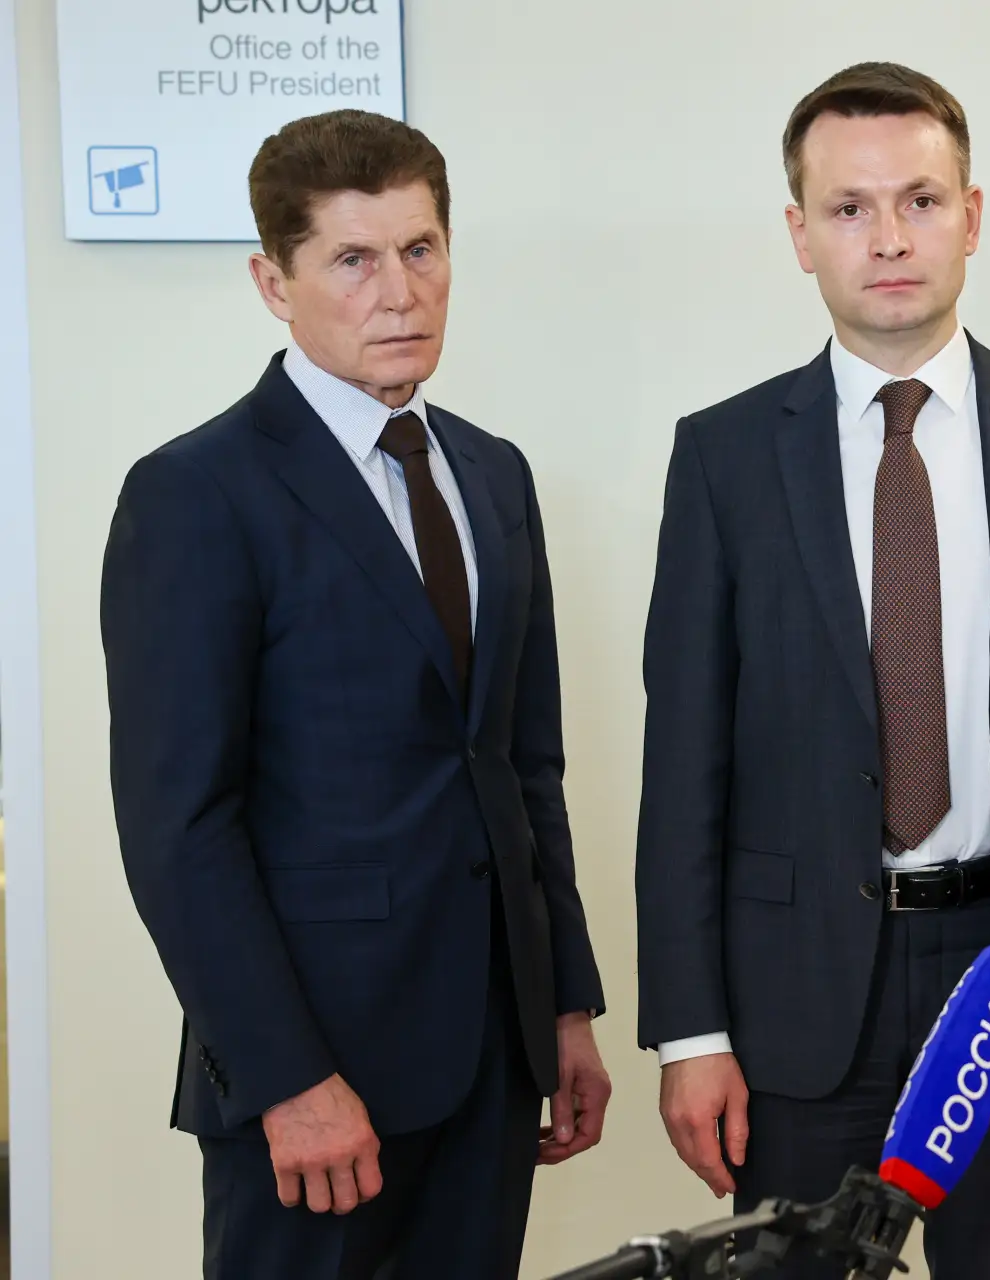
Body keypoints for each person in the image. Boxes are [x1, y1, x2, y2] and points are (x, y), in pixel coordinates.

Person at [634, 61, 990, 1279]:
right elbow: (685, 765)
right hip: (793, 999)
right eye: (850, 208)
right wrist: (690, 1030)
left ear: (970, 217)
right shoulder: (725, 457)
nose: (889, 237)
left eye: (921, 201)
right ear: (801, 235)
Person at [101, 109, 610, 1279]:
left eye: (421, 249)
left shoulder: (494, 472)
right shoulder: (195, 492)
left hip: (494, 1058)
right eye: (353, 259)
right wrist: (285, 1075)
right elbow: (179, 827)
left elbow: (522, 769)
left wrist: (564, 1004)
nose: (399, 292)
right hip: (316, 1078)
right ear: (272, 283)